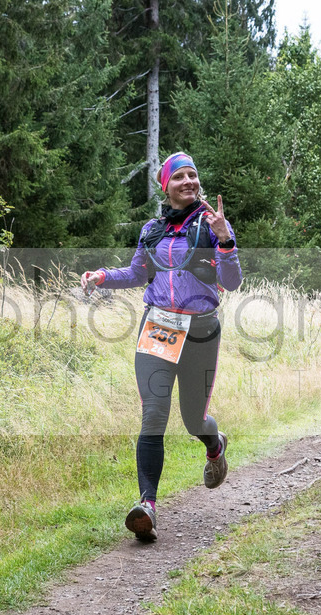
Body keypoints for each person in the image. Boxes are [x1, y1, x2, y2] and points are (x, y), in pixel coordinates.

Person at [81, 152, 242, 542]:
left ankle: (213, 443)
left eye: (193, 175)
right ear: (165, 186)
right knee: (153, 413)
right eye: (180, 177)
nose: (189, 181)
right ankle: (147, 507)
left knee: (192, 419)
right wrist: (102, 275)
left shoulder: (212, 225)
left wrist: (225, 240)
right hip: (158, 326)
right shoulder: (151, 229)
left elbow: (232, 281)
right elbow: (137, 273)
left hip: (201, 330)